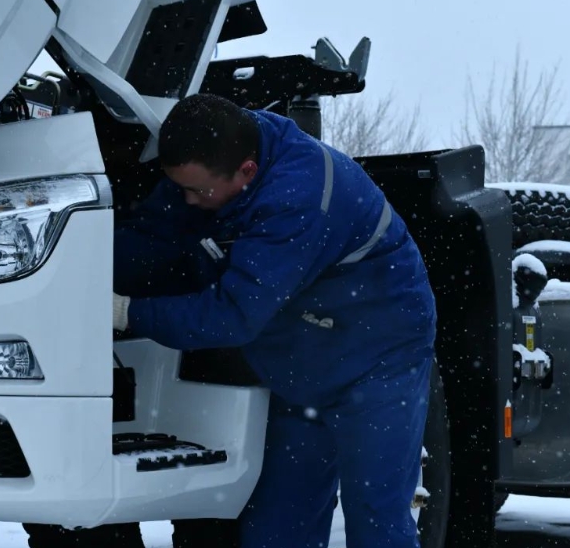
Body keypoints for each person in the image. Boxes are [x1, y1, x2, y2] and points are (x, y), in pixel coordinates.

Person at [111, 93, 437, 548]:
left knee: (376, 519)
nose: (186, 200)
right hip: (300, 364)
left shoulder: (298, 198)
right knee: (278, 527)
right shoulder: (219, 152)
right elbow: (159, 230)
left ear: (246, 172)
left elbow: (232, 315)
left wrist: (128, 312)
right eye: (179, 186)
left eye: (198, 191)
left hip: (377, 359)